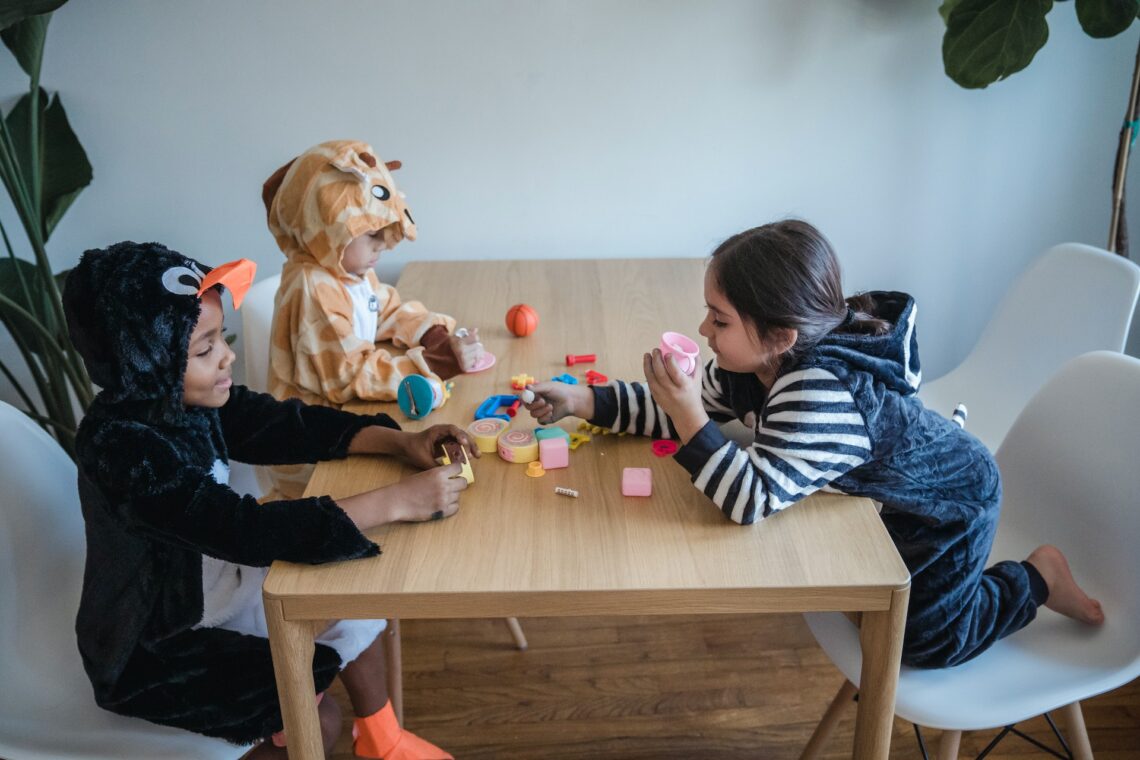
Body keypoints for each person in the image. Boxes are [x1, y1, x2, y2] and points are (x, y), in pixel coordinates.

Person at [523, 219, 1104, 669]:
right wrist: (586, 402)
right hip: (890, 498)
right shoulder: (758, 361)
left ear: (781, 335)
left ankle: (1036, 579)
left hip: (950, 507)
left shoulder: (821, 395)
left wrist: (689, 416)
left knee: (925, 642)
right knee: (867, 603)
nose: (703, 331)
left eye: (718, 320)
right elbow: (691, 407)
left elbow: (747, 499)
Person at [64, 241, 471, 758]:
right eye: (205, 349)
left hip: (214, 582)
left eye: (222, 339)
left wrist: (397, 441)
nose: (227, 356)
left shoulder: (189, 400)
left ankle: (382, 739)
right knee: (317, 718)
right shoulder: (121, 449)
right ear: (148, 366)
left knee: (355, 597)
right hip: (155, 643)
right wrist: (396, 501)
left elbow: (280, 424)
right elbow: (244, 532)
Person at [260, 138, 483, 500]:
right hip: (311, 452)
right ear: (328, 224)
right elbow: (347, 373)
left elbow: (387, 310)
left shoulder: (349, 269)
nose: (383, 245)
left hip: (345, 424)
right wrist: (432, 365)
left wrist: (434, 337)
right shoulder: (312, 287)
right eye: (371, 234)